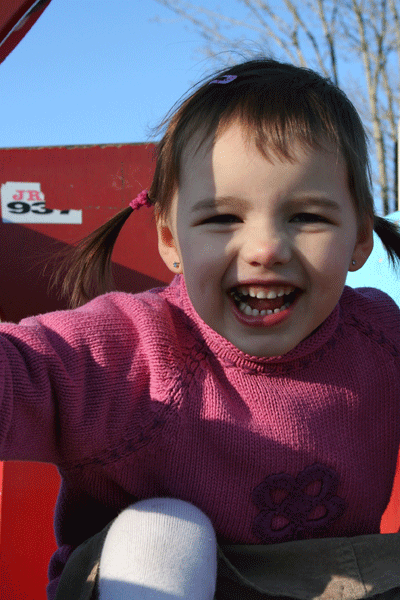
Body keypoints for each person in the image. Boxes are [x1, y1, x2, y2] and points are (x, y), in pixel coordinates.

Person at [1, 57, 400, 600]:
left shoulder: (381, 341)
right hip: (151, 580)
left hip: (327, 581)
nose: (266, 249)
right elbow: (27, 368)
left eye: (307, 216)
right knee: (164, 528)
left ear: (359, 239)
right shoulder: (135, 349)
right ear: (170, 240)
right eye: (222, 219)